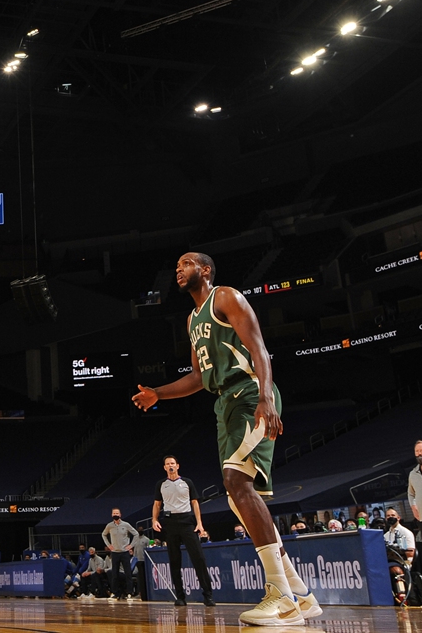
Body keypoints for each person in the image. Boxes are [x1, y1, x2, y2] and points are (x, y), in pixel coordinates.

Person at [133, 252, 321, 625]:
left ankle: (279, 594)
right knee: (238, 501)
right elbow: (200, 377)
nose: (178, 268)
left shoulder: (226, 297)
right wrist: (159, 393)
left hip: (250, 394)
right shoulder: (191, 319)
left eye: (185, 263)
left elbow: (259, 349)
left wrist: (266, 397)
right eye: (177, 265)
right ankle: (300, 594)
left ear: (204, 270)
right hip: (224, 404)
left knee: (236, 482)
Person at [152, 455, 214, 607]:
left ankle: (208, 595)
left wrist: (199, 523)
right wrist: (154, 519)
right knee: (174, 560)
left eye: (172, 463)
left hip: (187, 521)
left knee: (198, 558)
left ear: (177, 465)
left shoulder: (187, 482)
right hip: (170, 523)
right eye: (167, 464)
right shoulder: (161, 484)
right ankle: (180, 597)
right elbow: (157, 504)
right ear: (164, 467)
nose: (170, 465)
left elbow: (195, 502)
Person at [102, 508, 139, 601]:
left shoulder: (126, 525)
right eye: (114, 513)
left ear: (120, 514)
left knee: (128, 573)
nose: (115, 514)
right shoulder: (109, 526)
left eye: (117, 513)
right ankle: (114, 593)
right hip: (115, 553)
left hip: (125, 552)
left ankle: (129, 593)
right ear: (111, 515)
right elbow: (103, 534)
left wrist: (131, 545)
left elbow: (136, 534)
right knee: (114, 574)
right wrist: (109, 545)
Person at [409, 440, 422, 579]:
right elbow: (411, 493)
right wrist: (413, 506)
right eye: (417, 452)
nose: (419, 454)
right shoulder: (413, 473)